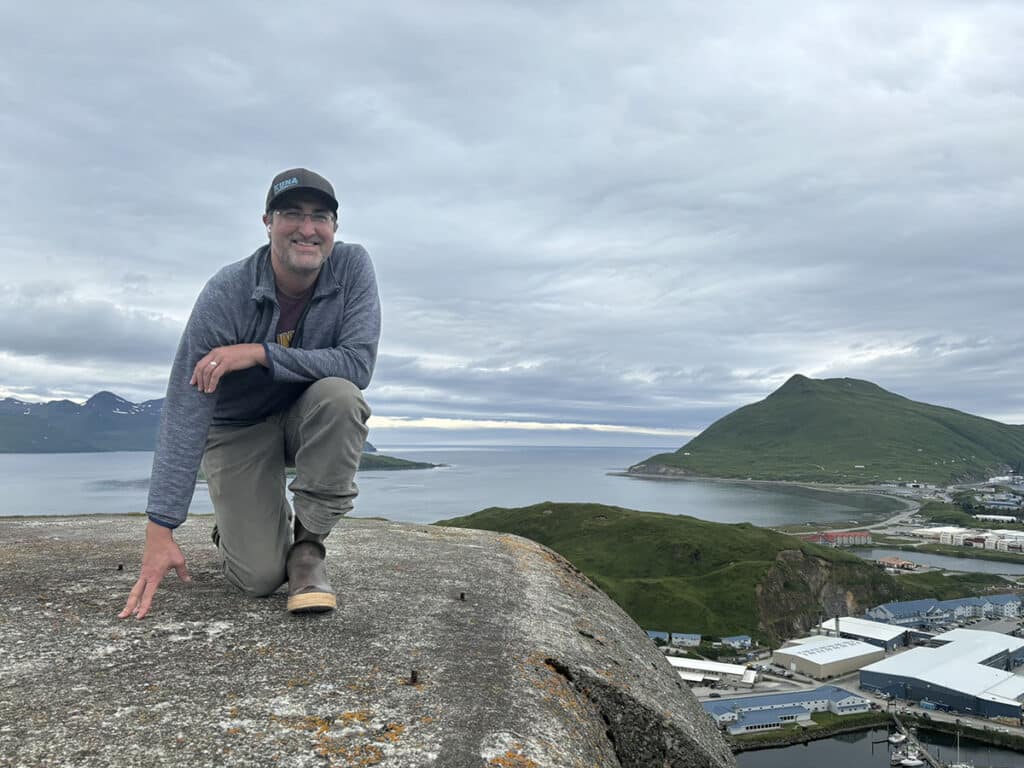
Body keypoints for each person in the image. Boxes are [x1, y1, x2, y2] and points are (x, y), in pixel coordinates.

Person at [119, 168, 380, 620]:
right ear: (267, 222)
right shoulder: (228, 291)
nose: (306, 228)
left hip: (305, 414)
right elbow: (186, 406)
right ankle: (236, 527)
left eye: (320, 216)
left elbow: (358, 364)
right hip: (237, 429)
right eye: (291, 214)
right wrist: (160, 528)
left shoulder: (352, 267)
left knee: (342, 397)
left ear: (334, 228)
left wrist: (259, 353)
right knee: (258, 580)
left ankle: (308, 550)